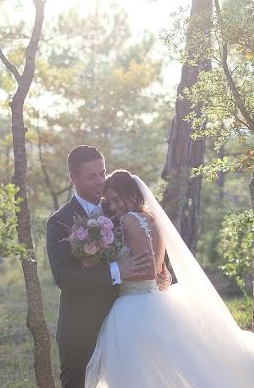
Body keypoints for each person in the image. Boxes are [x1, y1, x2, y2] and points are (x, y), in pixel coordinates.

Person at [86, 170, 254, 388]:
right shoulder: (151, 219)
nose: (112, 205)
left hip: (136, 306)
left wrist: (114, 267)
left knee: (140, 372)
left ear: (132, 195)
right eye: (109, 201)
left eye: (116, 198)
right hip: (154, 300)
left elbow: (146, 270)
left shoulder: (129, 221)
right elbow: (158, 268)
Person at [46, 146, 170, 388]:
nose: (100, 181)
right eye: (91, 176)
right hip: (81, 327)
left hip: (126, 324)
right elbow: (63, 277)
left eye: (102, 173)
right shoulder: (59, 221)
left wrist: (162, 271)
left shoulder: (117, 208)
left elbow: (148, 243)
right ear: (73, 178)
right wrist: (117, 271)